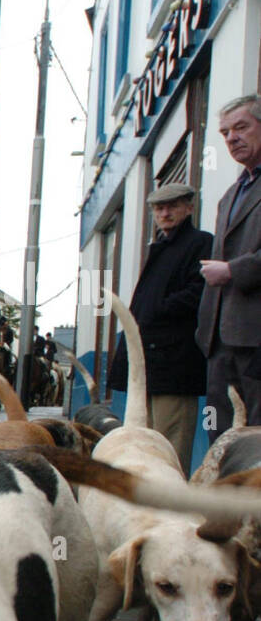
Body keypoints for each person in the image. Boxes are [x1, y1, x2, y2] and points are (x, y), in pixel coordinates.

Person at [108, 183, 212, 473]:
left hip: (175, 363)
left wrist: (156, 310)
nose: (164, 213)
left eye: (172, 206)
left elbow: (200, 292)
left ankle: (173, 510)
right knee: (146, 441)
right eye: (159, 208)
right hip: (152, 361)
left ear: (189, 208)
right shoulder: (161, 247)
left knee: (171, 445)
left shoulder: (200, 242)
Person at [198, 94, 261, 440]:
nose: (232, 138)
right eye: (224, 132)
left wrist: (233, 271)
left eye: (241, 127)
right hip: (219, 344)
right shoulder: (230, 194)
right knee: (218, 436)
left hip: (255, 342)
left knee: (253, 440)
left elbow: (231, 266)